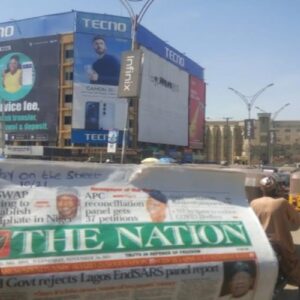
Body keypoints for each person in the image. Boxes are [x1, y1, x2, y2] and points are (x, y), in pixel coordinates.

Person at [251, 175, 300, 286]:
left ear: (261, 189)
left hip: (258, 243)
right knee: (295, 263)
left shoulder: (253, 203)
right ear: (276, 188)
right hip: (280, 243)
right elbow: (296, 223)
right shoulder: (282, 202)